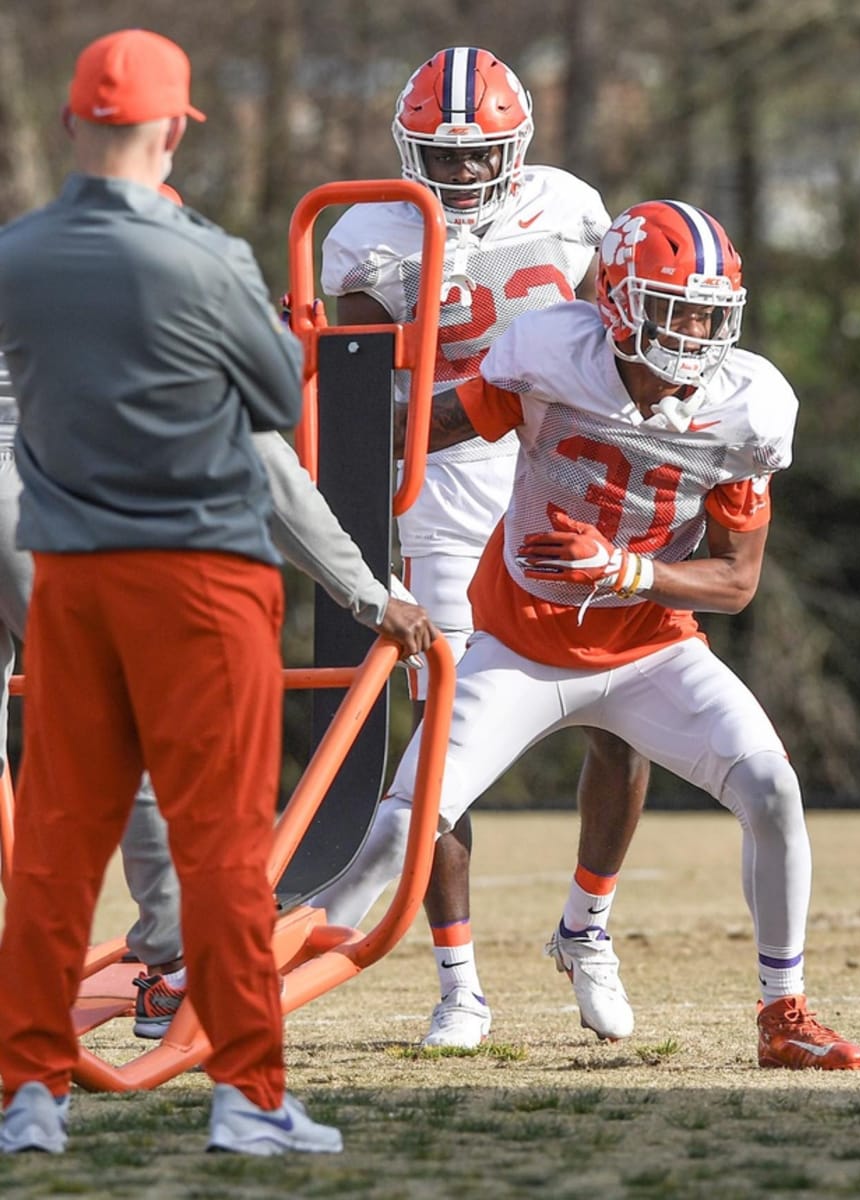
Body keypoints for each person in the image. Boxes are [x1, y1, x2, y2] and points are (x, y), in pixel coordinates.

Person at [320, 199, 860, 1071]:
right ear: (616, 301)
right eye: (674, 306)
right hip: (521, 649)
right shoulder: (549, 356)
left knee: (771, 787)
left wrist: (626, 571)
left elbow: (736, 580)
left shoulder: (748, 406)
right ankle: (262, 978)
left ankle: (783, 1013)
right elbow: (422, 430)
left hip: (653, 649)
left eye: (709, 311)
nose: (695, 330)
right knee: (400, 826)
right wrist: (321, 388)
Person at [0, 29, 364, 1155]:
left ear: (72, 125)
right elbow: (272, 404)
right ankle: (251, 1099)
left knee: (57, 845)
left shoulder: (17, 255)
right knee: (219, 842)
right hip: (199, 575)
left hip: (68, 577)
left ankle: (28, 1100)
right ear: (171, 129)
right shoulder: (208, 257)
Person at [312, 46, 650, 1049]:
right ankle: (459, 982)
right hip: (449, 502)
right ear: (406, 150)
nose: (460, 176)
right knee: (444, 739)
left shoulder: (571, 207)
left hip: (565, 482)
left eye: (479, 156)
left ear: (519, 148)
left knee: (622, 716)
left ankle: (588, 927)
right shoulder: (369, 235)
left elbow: (613, 344)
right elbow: (365, 400)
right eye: (440, 157)